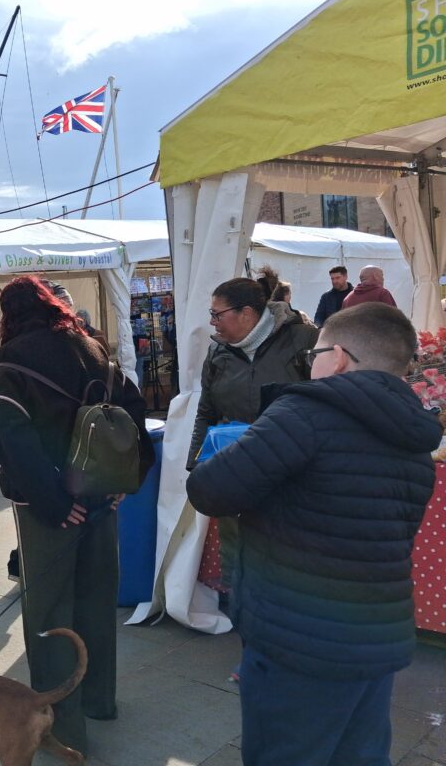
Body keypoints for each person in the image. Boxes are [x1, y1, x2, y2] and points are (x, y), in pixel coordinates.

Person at [186, 303, 440, 766]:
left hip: (298, 638)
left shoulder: (305, 412)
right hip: (376, 636)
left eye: (314, 355)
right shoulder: (414, 437)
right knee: (361, 754)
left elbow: (208, 489)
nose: (309, 365)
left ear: (338, 357)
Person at [0, 276, 154, 756]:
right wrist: (125, 480)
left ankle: (63, 730)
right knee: (96, 600)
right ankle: (100, 701)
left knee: (50, 613)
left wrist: (55, 503)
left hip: (49, 507)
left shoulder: (12, 360)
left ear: (10, 314)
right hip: (99, 496)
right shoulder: (91, 347)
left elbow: (14, 441)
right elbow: (133, 412)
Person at [189, 277, 318, 596]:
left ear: (246, 313)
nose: (212, 321)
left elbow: (324, 400)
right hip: (234, 464)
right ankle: (237, 601)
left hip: (289, 468)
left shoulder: (303, 339)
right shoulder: (217, 351)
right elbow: (206, 411)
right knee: (234, 539)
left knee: (285, 540)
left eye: (217, 314)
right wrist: (197, 463)